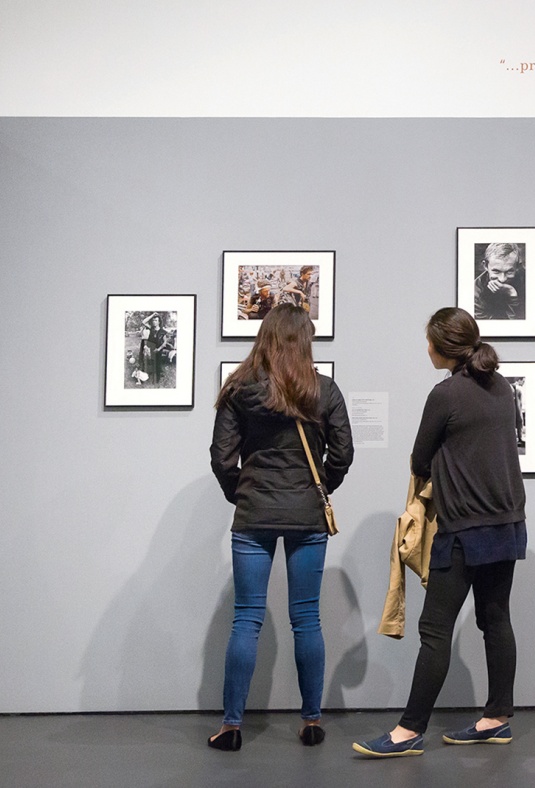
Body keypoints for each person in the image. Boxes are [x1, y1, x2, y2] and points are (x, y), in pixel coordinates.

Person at [354, 307, 527, 758]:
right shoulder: (503, 387)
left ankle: (409, 731)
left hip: (465, 527)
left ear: (442, 347)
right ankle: (497, 718)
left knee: (434, 630)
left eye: (428, 341)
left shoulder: (446, 394)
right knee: (496, 620)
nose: (425, 349)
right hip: (507, 522)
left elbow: (418, 459)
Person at [207, 304, 354, 752]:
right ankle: (311, 722)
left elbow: (220, 456)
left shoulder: (238, 389)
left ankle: (232, 727)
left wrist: (242, 492)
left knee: (246, 619)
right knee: (306, 618)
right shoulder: (324, 390)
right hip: (306, 515)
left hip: (253, 515)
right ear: (304, 339)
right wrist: (317, 488)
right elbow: (343, 454)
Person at [474, 243, 526, 320]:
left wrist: (512, 295)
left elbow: (524, 326)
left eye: (509, 272)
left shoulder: (529, 282)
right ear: (485, 266)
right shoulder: (476, 292)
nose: (502, 279)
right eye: (496, 271)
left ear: (517, 267)